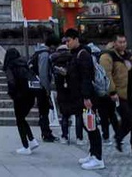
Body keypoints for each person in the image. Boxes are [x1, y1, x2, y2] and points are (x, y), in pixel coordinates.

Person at [100, 34, 132, 158]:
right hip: (120, 93)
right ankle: (119, 136)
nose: (122, 44)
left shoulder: (129, 56)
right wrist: (112, 91)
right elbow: (107, 75)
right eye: (120, 42)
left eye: (124, 42)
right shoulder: (108, 56)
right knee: (127, 119)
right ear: (114, 43)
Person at [64, 28, 104, 170]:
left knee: (92, 126)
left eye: (68, 40)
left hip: (86, 97)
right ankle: (92, 153)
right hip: (79, 95)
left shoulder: (83, 54)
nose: (67, 43)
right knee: (88, 126)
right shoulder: (76, 54)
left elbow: (86, 77)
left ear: (75, 39)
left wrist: (87, 97)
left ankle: (98, 158)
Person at [2, 48, 39, 155]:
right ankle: (31, 140)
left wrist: (12, 94)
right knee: (22, 119)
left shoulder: (10, 66)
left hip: (19, 96)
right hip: (30, 96)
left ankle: (26, 145)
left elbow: (11, 82)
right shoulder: (24, 64)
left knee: (19, 120)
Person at [51, 44, 83, 145]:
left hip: (62, 92)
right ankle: (79, 138)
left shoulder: (55, 62)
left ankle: (64, 136)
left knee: (64, 116)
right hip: (74, 91)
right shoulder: (73, 59)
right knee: (78, 115)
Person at [30, 35, 59, 142]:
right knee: (44, 111)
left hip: (39, 86)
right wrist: (46, 88)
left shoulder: (39, 52)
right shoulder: (44, 55)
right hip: (41, 87)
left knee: (44, 111)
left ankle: (46, 132)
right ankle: (46, 133)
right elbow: (43, 73)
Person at [97, 42, 120, 145]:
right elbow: (107, 76)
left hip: (106, 91)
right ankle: (113, 135)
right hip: (106, 91)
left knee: (107, 115)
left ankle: (109, 135)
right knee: (109, 114)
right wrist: (113, 91)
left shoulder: (107, 57)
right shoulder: (107, 58)